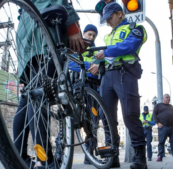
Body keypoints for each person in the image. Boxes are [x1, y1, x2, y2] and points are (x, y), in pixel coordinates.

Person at [13, 0, 85, 168]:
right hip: (45, 22)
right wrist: (73, 27)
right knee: (39, 94)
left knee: (29, 96)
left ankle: (19, 157)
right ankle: (45, 161)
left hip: (26, 28)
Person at [94, 2, 148, 169]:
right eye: (106, 19)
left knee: (130, 114)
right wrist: (98, 63)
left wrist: (107, 52)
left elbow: (130, 46)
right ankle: (112, 156)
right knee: (106, 116)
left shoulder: (136, 28)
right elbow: (105, 56)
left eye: (110, 18)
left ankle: (140, 157)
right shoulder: (108, 35)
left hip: (125, 74)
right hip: (107, 76)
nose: (108, 22)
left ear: (120, 14)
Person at [68, 24, 101, 165]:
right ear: (83, 34)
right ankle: (60, 152)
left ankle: (90, 153)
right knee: (70, 117)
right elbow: (70, 64)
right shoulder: (75, 47)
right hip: (76, 86)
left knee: (93, 121)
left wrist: (96, 66)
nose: (92, 37)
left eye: (94, 35)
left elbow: (100, 66)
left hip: (93, 88)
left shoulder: (97, 51)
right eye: (89, 34)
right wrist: (89, 66)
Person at [153, 94, 173, 162]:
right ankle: (160, 156)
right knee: (161, 142)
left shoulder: (171, 106)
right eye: (167, 97)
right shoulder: (158, 106)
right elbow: (154, 115)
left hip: (171, 126)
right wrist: (158, 122)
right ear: (163, 98)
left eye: (169, 97)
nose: (168, 98)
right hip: (163, 127)